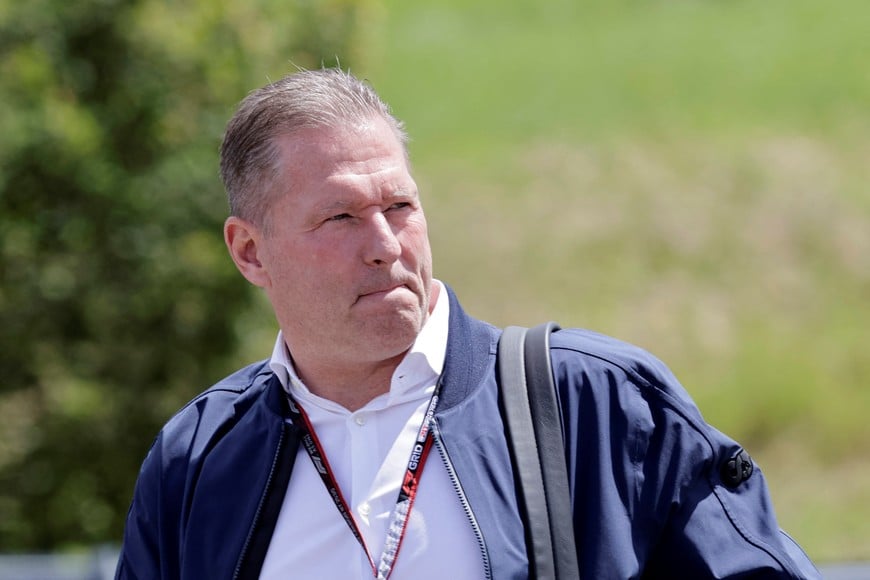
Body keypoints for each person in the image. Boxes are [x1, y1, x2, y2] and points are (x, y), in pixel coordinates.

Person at [115, 68, 821, 579]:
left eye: (400, 207)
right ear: (249, 251)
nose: (386, 244)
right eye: (342, 216)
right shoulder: (198, 461)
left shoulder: (598, 404)